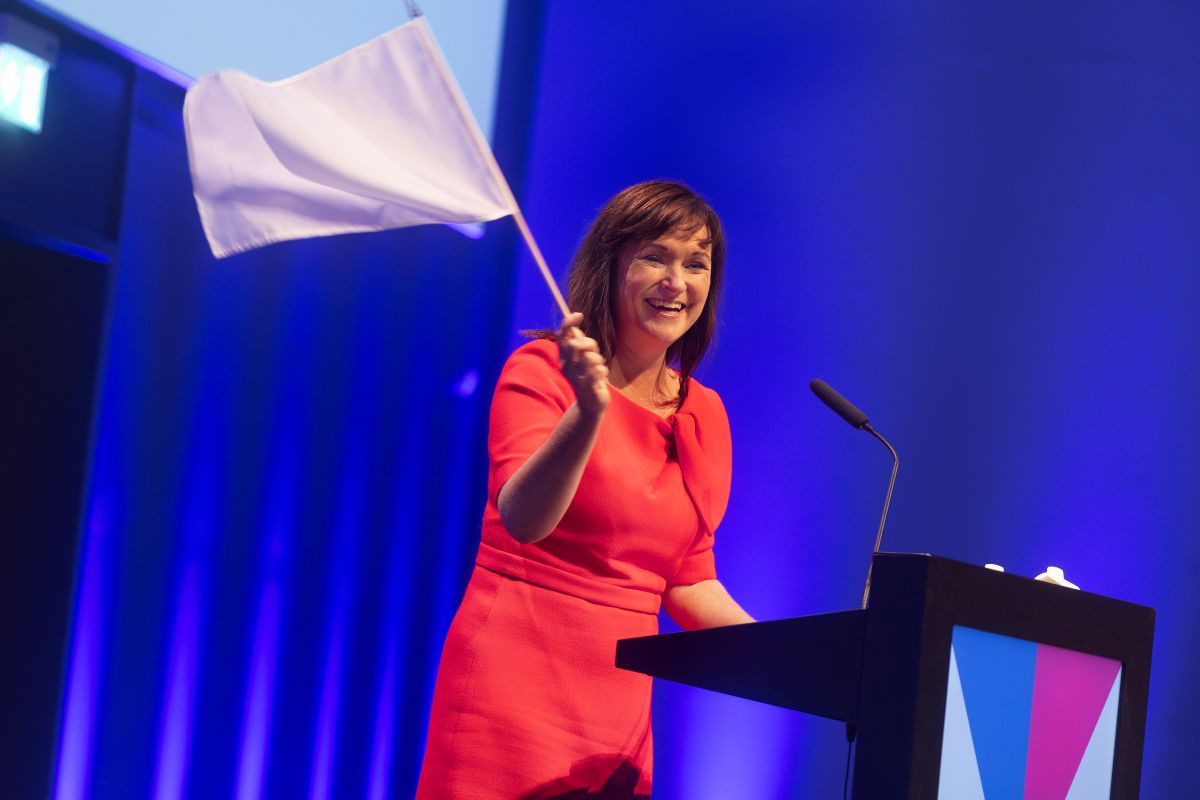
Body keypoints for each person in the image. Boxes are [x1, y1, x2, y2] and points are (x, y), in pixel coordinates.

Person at [416, 181, 753, 800]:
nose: (676, 280)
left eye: (696, 264)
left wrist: (788, 655)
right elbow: (522, 516)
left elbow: (689, 581)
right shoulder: (544, 370)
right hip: (509, 689)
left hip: (617, 718)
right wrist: (589, 411)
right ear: (613, 263)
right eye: (655, 256)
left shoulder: (706, 414)